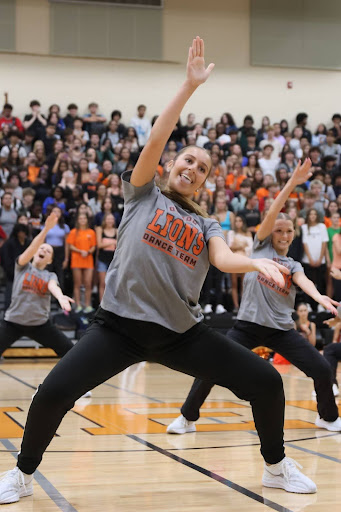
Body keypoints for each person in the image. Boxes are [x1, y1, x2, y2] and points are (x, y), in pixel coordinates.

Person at [0, 38, 316, 505]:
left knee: (266, 382)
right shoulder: (142, 194)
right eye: (188, 159)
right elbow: (156, 138)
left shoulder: (206, 222)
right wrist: (188, 88)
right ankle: (22, 474)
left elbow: (224, 259)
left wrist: (254, 260)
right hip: (118, 328)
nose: (193, 168)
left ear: (206, 181)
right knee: (52, 392)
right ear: (172, 166)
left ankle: (274, 466)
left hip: (180, 333)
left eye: (203, 168)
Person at [168, 157, 341, 439]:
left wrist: (319, 296)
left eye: (289, 232)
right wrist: (291, 184)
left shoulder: (293, 264)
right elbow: (273, 211)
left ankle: (329, 418)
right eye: (279, 230)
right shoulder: (259, 247)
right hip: (246, 327)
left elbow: (304, 280)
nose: (284, 235)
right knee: (211, 367)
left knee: (321, 368)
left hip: (282, 331)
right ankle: (187, 417)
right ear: (270, 232)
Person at [0, 213, 75, 362]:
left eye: (48, 251)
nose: (44, 251)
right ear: (35, 252)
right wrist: (46, 230)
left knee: (71, 353)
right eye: (42, 248)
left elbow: (53, 286)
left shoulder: (50, 275)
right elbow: (34, 245)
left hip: (40, 325)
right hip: (13, 322)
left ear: (50, 260)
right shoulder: (22, 266)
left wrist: (60, 296)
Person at [66, 212, 96, 313]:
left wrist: (88, 252)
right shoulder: (74, 232)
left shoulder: (91, 232)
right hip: (77, 259)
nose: (82, 220)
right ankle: (78, 305)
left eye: (84, 218)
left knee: (88, 283)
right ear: (78, 220)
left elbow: (93, 246)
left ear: (87, 220)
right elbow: (70, 246)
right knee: (77, 284)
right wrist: (80, 251)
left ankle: (87, 305)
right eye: (80, 218)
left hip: (88, 260)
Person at [96, 213, 117, 301]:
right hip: (102, 259)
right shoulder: (100, 229)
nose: (110, 221)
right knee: (103, 283)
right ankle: (102, 304)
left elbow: (119, 245)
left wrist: (107, 243)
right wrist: (113, 242)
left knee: (112, 284)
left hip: (114, 260)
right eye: (108, 219)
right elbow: (99, 245)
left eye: (111, 219)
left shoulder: (117, 231)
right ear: (105, 220)